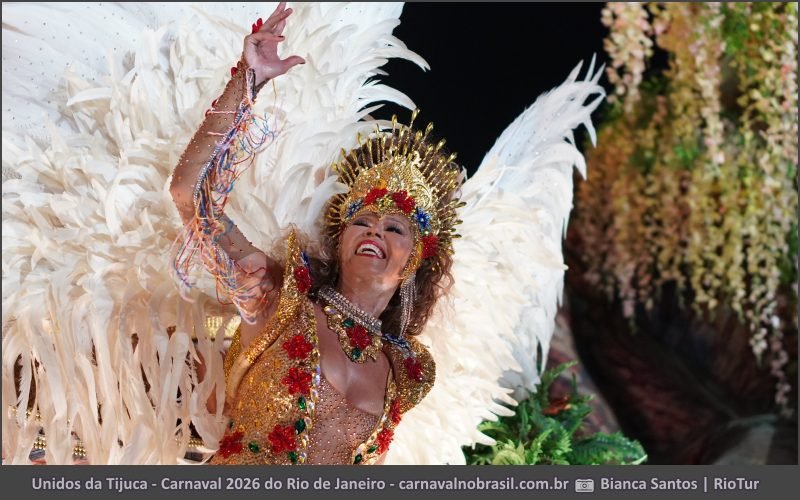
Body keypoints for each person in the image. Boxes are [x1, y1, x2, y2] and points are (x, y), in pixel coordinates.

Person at [169, 2, 461, 465]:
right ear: (340, 241)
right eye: (361, 220)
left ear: (418, 258)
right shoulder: (277, 300)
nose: (373, 231)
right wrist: (248, 80)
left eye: (393, 226)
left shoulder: (407, 373)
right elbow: (190, 194)